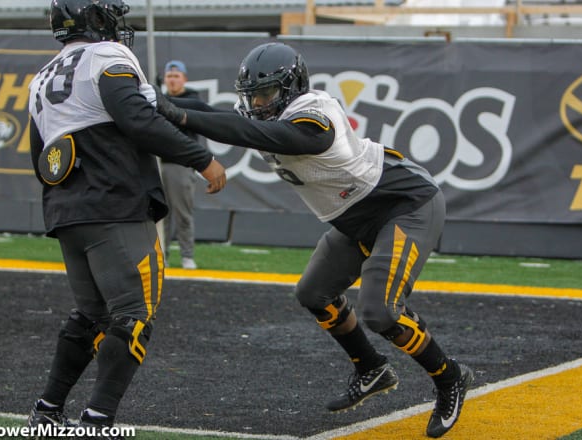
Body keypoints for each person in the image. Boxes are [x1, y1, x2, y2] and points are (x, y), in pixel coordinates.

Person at [156, 42, 473, 438]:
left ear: (291, 88)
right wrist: (160, 102)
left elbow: (248, 130)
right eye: (252, 94)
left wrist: (180, 114)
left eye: (265, 93)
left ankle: (449, 378)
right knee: (314, 293)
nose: (256, 102)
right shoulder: (272, 111)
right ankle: (371, 367)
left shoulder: (315, 117)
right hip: (355, 217)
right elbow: (225, 117)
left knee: (381, 311)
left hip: (403, 204)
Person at [26, 1, 225, 438]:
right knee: (133, 315)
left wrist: (68, 202)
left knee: (91, 314)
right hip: (114, 204)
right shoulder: (106, 57)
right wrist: (200, 158)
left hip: (66, 210)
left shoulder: (40, 77)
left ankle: (47, 410)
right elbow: (138, 119)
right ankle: (97, 420)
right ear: (95, 19)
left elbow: (39, 155)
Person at [160, 60, 202, 269]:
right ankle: (162, 254)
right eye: (169, 76)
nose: (173, 80)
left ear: (184, 79)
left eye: (176, 76)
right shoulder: (159, 100)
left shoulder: (191, 100)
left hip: (180, 163)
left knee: (183, 213)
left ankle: (187, 255)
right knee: (160, 214)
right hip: (159, 162)